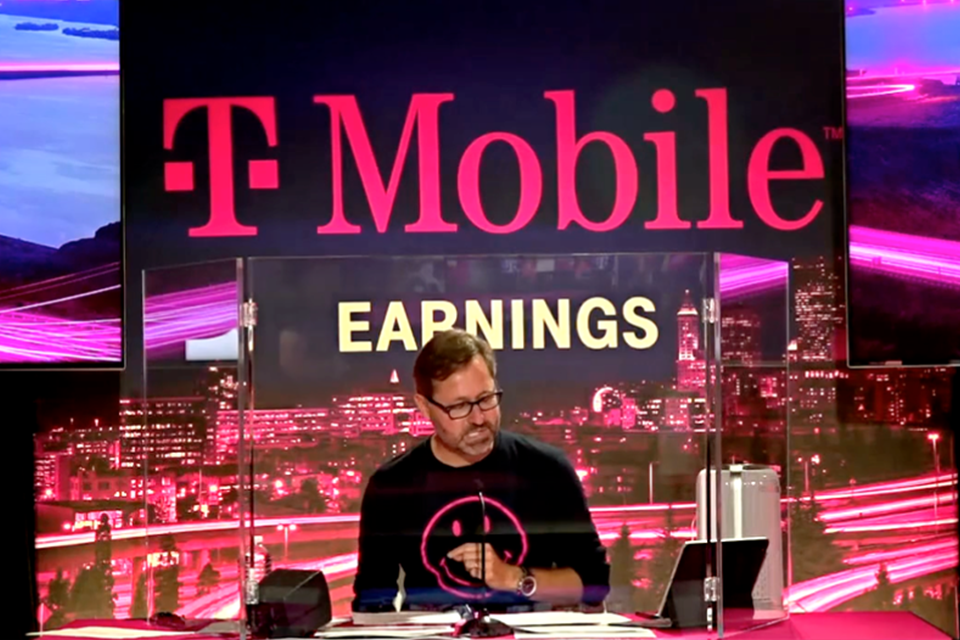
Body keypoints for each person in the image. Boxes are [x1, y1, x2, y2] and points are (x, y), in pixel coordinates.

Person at [352, 329, 610, 613]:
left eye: (486, 399)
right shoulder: (392, 485)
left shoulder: (546, 470)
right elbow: (372, 600)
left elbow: (594, 583)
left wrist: (513, 577)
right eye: (460, 406)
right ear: (424, 407)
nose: (478, 419)